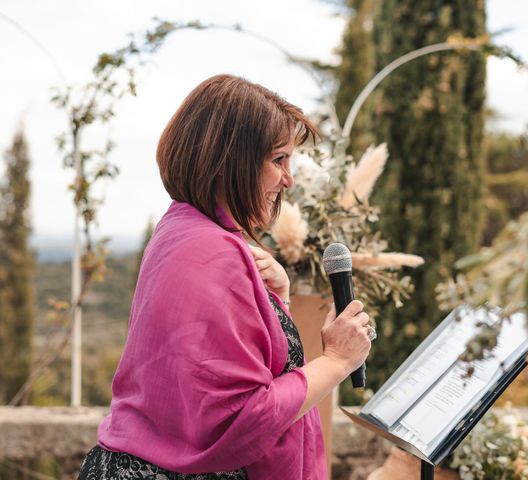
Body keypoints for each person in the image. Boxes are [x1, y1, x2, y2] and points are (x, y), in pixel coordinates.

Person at [77, 74, 373, 480]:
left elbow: (231, 369)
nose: (289, 179)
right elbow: (241, 420)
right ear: (232, 160)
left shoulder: (179, 229)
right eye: (279, 160)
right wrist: (338, 361)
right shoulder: (213, 252)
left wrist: (276, 301)